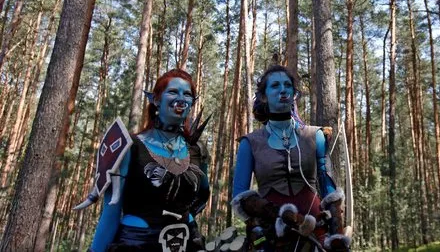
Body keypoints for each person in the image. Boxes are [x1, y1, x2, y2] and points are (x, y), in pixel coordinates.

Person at [76, 69, 210, 252]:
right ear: (156, 100)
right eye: (173, 92)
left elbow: (203, 195)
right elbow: (111, 213)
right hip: (137, 244)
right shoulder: (129, 146)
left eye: (187, 94)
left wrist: (185, 220)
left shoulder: (197, 149)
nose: (181, 98)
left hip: (187, 242)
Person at [231, 65, 351, 251]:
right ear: (263, 96)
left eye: (288, 85)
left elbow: (328, 187)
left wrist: (336, 233)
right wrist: (280, 216)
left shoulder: (316, 135)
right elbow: (240, 197)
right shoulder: (250, 143)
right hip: (271, 232)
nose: (283, 89)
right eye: (275, 85)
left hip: (315, 229)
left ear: (294, 94)